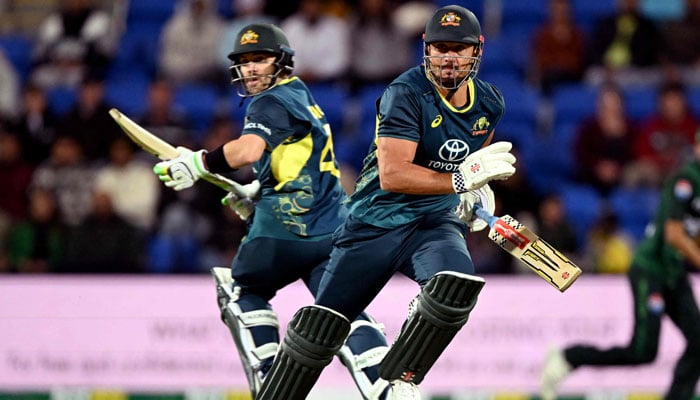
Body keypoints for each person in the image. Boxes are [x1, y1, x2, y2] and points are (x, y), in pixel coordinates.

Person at [253, 5, 517, 399]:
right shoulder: (404, 93)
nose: (449, 57)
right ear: (425, 48)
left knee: (455, 285)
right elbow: (395, 175)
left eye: (458, 49)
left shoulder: (489, 103)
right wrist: (459, 180)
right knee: (320, 330)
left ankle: (398, 379)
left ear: (476, 50)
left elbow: (464, 158)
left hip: (432, 223)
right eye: (440, 47)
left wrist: (472, 191)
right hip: (376, 222)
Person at [150, 23, 394, 399]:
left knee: (242, 289)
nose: (250, 69)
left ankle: (270, 376)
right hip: (332, 230)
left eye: (258, 60)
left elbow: (248, 150)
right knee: (340, 307)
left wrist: (200, 162)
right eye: (244, 61)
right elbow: (297, 160)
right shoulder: (300, 94)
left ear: (280, 62)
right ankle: (385, 382)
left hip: (282, 231)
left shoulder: (268, 101)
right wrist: (257, 190)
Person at [540, 130, 700, 400]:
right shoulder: (686, 180)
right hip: (652, 270)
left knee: (698, 343)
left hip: (673, 272)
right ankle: (569, 356)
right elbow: (673, 234)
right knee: (642, 352)